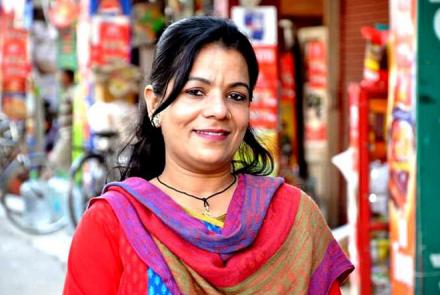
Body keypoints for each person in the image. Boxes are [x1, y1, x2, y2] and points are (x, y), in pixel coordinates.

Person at [63, 16, 353, 295]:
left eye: (236, 96)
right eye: (196, 91)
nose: (218, 110)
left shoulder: (293, 216)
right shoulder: (112, 225)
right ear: (154, 105)